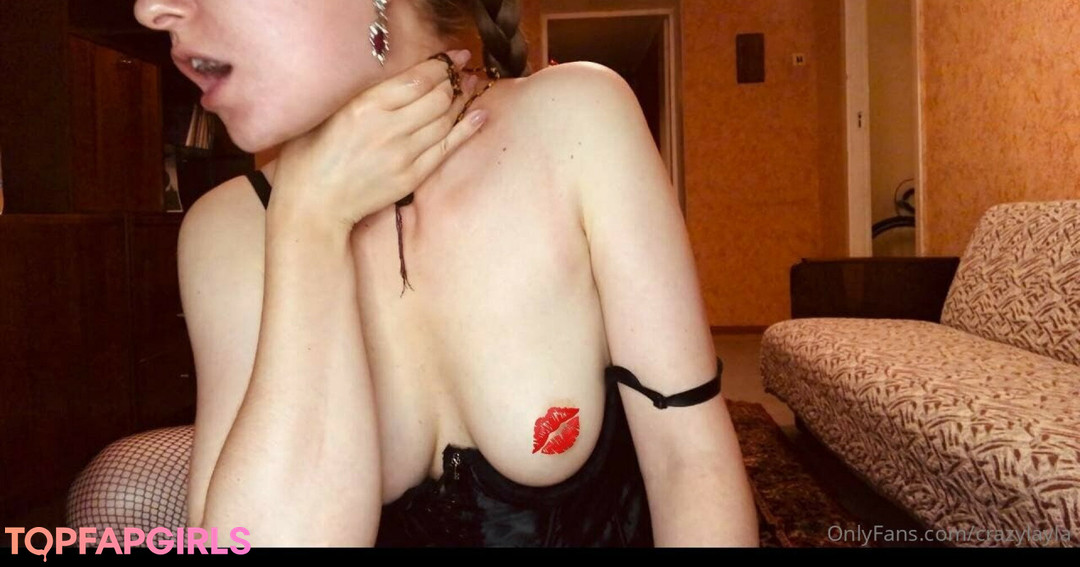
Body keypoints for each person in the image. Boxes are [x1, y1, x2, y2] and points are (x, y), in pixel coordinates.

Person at [134, 0, 759, 547]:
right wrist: (307, 222)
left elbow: (691, 466)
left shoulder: (578, 118)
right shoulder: (224, 230)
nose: (149, 9)